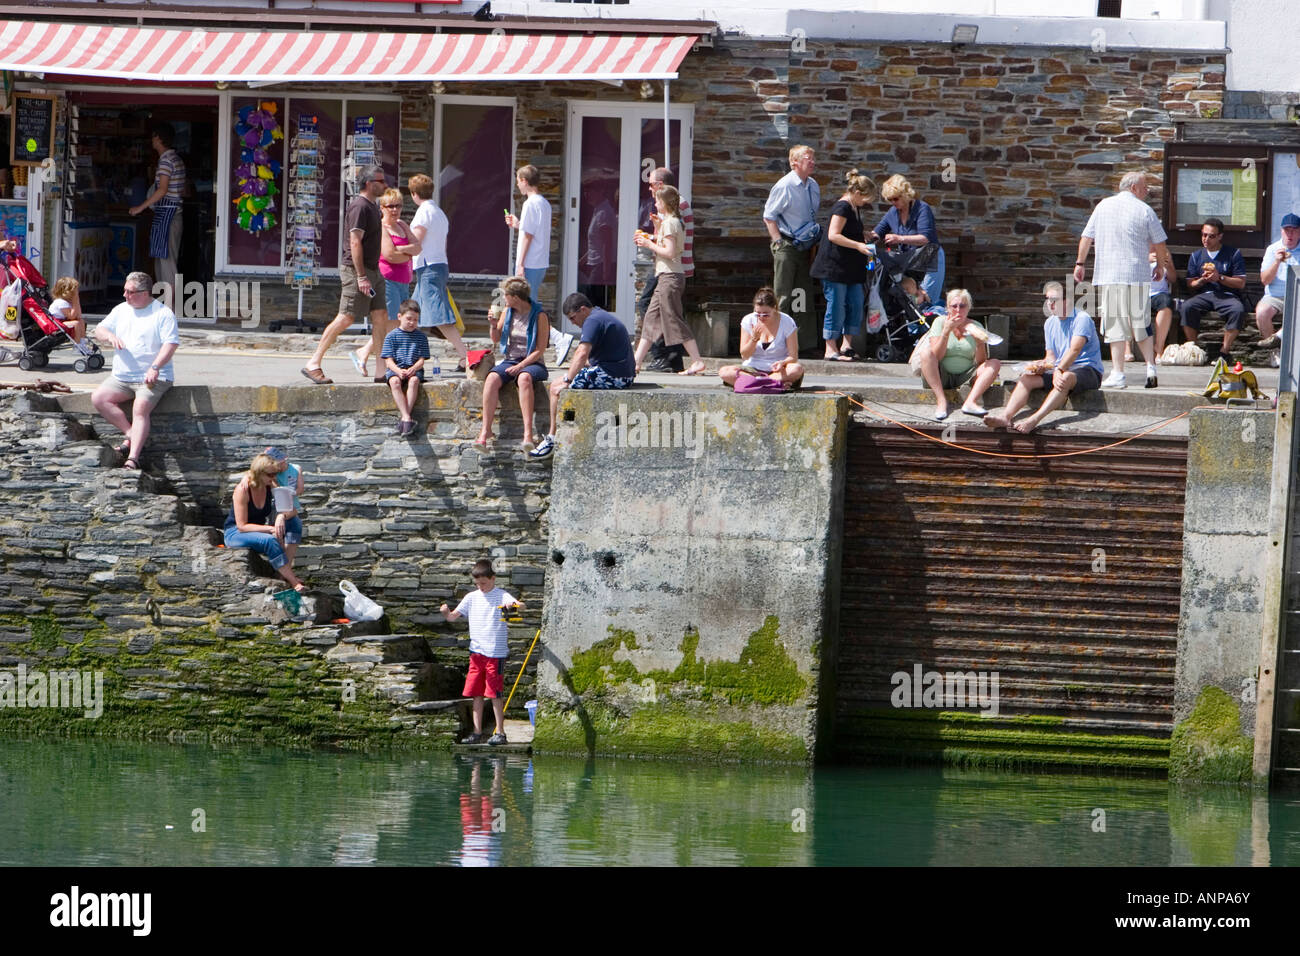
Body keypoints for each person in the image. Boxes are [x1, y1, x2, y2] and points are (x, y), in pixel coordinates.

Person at [1074, 170, 1175, 389]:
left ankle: (1118, 373)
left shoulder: (1102, 206)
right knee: (1141, 323)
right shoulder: (1145, 210)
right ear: (1133, 188)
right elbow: (1160, 242)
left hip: (1111, 274)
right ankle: (1151, 368)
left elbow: (1086, 237)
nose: (1147, 191)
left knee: (1115, 325)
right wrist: (1159, 265)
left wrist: (1080, 264)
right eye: (1145, 187)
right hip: (1137, 274)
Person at [301, 164, 389, 385]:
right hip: (356, 270)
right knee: (346, 317)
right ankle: (313, 363)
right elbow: (354, 241)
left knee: (380, 318)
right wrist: (361, 276)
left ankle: (382, 371)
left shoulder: (372, 206)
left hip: (373, 269)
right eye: (381, 181)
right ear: (369, 183)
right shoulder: (359, 206)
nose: (385, 185)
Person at [985, 281, 1104, 433]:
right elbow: (1051, 357)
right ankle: (1005, 416)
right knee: (1026, 378)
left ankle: (1034, 419)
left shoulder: (1082, 318)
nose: (1050, 304)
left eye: (1054, 300)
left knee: (1064, 378)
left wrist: (1058, 370)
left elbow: (1075, 349)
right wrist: (1042, 366)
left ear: (1066, 301)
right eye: (1048, 299)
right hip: (1061, 368)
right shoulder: (1049, 323)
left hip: (1088, 369)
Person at [530, 292, 636, 461]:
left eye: (573, 318)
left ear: (583, 309)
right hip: (621, 373)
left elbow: (582, 353)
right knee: (564, 383)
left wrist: (568, 379)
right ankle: (565, 425)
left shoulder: (592, 321)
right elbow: (589, 359)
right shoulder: (599, 315)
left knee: (557, 389)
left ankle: (553, 437)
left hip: (615, 376)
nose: (573, 323)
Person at [90, 271, 180, 470]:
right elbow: (99, 329)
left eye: (130, 292)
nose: (125, 295)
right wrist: (109, 337)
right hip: (122, 377)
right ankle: (131, 434)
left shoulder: (162, 313)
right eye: (124, 290)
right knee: (99, 398)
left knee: (139, 408)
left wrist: (155, 367)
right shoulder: (121, 309)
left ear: (145, 292)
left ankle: (133, 458)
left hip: (153, 377)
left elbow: (171, 344)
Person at [439, 559, 519, 746]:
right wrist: (445, 613)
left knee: (494, 693)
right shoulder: (471, 598)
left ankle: (500, 732)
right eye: (477, 584)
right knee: (476, 693)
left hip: (495, 654)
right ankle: (477, 732)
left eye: (484, 583)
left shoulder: (501, 595)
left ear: (493, 579)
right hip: (476, 653)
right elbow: (452, 618)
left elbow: (519, 605)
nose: (480, 587)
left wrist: (512, 607)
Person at [633, 184, 706, 375]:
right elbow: (668, 245)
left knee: (673, 319)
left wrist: (648, 243)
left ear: (665, 203)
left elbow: (670, 252)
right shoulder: (670, 222)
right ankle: (635, 362)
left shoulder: (671, 223)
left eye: (657, 200)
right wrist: (657, 228)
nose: (655, 203)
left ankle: (697, 361)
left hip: (670, 277)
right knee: (650, 319)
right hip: (665, 276)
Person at [351, 188, 421, 377]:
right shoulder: (382, 227)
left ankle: (365, 351)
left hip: (404, 281)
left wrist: (402, 249)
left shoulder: (402, 226)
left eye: (398, 205)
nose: (395, 210)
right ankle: (366, 351)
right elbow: (389, 255)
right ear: (382, 207)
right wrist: (407, 252)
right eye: (390, 206)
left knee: (394, 323)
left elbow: (418, 247)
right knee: (390, 322)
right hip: (387, 280)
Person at [476, 277, 549, 450]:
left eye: (505, 295)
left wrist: (521, 366)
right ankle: (485, 431)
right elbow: (495, 338)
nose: (503, 299)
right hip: (511, 359)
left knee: (524, 378)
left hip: (533, 362)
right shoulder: (508, 311)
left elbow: (540, 349)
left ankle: (528, 435)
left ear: (515, 297)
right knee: (492, 378)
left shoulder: (540, 315)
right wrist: (493, 325)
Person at [407, 173, 470, 372]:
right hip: (437, 264)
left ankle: (465, 357)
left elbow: (416, 241)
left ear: (414, 194)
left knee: (439, 316)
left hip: (428, 267)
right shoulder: (439, 212)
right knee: (410, 315)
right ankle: (406, 354)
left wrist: (396, 249)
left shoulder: (424, 212)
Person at [811, 169, 876, 361]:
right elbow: (833, 234)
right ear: (857, 193)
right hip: (835, 267)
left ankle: (847, 345)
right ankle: (830, 348)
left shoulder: (856, 208)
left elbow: (849, 230)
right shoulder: (843, 207)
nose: (867, 203)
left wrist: (863, 235)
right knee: (837, 305)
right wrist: (858, 244)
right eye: (866, 199)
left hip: (852, 268)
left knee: (855, 304)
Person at [764, 145, 821, 352]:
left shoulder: (813, 185)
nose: (812, 161)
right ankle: (775, 342)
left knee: (802, 295)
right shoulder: (785, 185)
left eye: (813, 158)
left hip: (805, 246)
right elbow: (769, 216)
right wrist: (778, 242)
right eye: (808, 158)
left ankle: (803, 343)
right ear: (794, 162)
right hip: (787, 245)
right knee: (783, 294)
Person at [222, 452, 307, 592]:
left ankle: (282, 573)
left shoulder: (270, 485)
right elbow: (242, 526)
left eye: (275, 474)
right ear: (259, 473)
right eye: (270, 475)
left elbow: (293, 510)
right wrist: (270, 529)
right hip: (235, 533)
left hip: (257, 530)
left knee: (294, 523)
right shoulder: (243, 490)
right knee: (269, 539)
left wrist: (281, 516)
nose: (274, 478)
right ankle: (293, 581)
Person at [912, 288, 1000, 421]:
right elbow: (936, 356)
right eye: (954, 306)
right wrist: (946, 332)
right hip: (941, 374)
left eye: (962, 306)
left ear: (968, 307)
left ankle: (970, 402)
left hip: (966, 374)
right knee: (926, 353)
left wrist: (980, 344)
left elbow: (981, 362)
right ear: (948, 307)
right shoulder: (940, 322)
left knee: (994, 363)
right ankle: (941, 401)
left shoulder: (976, 325)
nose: (958, 310)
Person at [1179, 217, 1247, 363]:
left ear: (1220, 236)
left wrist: (1220, 278)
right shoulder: (1196, 256)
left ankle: (1224, 352)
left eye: (1211, 236)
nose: (1206, 239)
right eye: (1204, 235)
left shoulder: (1233, 254)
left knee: (1238, 310)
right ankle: (1195, 350)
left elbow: (1240, 283)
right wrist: (1202, 280)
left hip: (1227, 295)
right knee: (1187, 307)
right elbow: (1190, 283)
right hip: (1204, 294)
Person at [128, 123, 186, 295]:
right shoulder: (176, 160)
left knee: (166, 262)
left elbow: (162, 190)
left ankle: (171, 307)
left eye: (153, 136)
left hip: (170, 215)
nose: (152, 140)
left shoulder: (166, 161)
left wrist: (140, 207)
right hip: (171, 214)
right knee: (162, 259)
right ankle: (166, 303)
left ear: (159, 138)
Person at [873, 174, 944, 309]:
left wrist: (899, 238)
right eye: (890, 200)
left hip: (930, 258)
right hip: (910, 264)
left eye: (895, 198)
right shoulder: (892, 212)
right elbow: (877, 232)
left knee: (926, 300)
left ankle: (940, 319)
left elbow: (925, 238)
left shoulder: (922, 208)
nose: (893, 202)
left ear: (905, 194)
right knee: (912, 303)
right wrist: (864, 238)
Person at [718, 287, 805, 388]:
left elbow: (793, 357)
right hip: (752, 369)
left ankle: (756, 383)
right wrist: (754, 339)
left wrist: (783, 362)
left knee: (796, 369)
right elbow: (745, 355)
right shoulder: (748, 320)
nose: (761, 317)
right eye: (758, 314)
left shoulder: (787, 322)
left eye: (766, 314)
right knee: (725, 372)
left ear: (775, 308)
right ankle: (773, 384)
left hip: (778, 369)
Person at [381, 299, 430, 437]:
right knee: (394, 382)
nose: (412, 322)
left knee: (414, 381)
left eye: (415, 320)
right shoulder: (391, 336)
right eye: (409, 318)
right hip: (396, 368)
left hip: (414, 369)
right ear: (399, 317)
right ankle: (407, 417)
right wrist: (397, 370)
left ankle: (405, 418)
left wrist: (413, 368)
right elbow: (388, 360)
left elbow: (422, 360)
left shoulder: (421, 337)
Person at [505, 164, 551, 304]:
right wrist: (518, 225)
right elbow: (535, 231)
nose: (518, 185)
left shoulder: (529, 204)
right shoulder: (544, 203)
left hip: (530, 262)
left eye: (518, 181)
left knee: (526, 304)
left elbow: (528, 236)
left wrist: (520, 264)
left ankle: (532, 327)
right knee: (531, 301)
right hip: (540, 262)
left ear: (524, 180)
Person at [1256, 212, 1300, 352]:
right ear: (1281, 231)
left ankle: (1278, 337)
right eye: (1287, 230)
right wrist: (1276, 261)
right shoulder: (1272, 250)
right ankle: (1275, 353)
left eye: (1294, 230)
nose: (1290, 235)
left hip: (1298, 295)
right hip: (1274, 295)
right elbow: (1265, 280)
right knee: (1262, 312)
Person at [264, 445, 304, 567]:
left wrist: (292, 493)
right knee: (278, 536)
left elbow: (300, 489)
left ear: (284, 460)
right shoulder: (272, 473)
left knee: (293, 534)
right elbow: (275, 489)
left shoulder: (296, 469)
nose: (279, 467)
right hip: (277, 508)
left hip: (292, 508)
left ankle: (286, 571)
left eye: (279, 464)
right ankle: (281, 571)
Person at [1148, 249, 1180, 361]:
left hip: (1159, 293)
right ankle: (1127, 349)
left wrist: (1169, 265)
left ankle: (1159, 349)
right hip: (1139, 291)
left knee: (1166, 305)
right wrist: (1145, 260)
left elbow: (1173, 279)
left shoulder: (1164, 251)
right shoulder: (1136, 247)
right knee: (1129, 303)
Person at [47, 276, 87, 345]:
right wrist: (75, 302)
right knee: (76, 323)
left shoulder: (67, 302)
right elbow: (71, 316)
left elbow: (78, 316)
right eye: (74, 291)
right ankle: (77, 345)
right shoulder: (60, 302)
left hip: (62, 322)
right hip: (56, 323)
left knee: (81, 321)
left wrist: (77, 302)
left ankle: (82, 342)